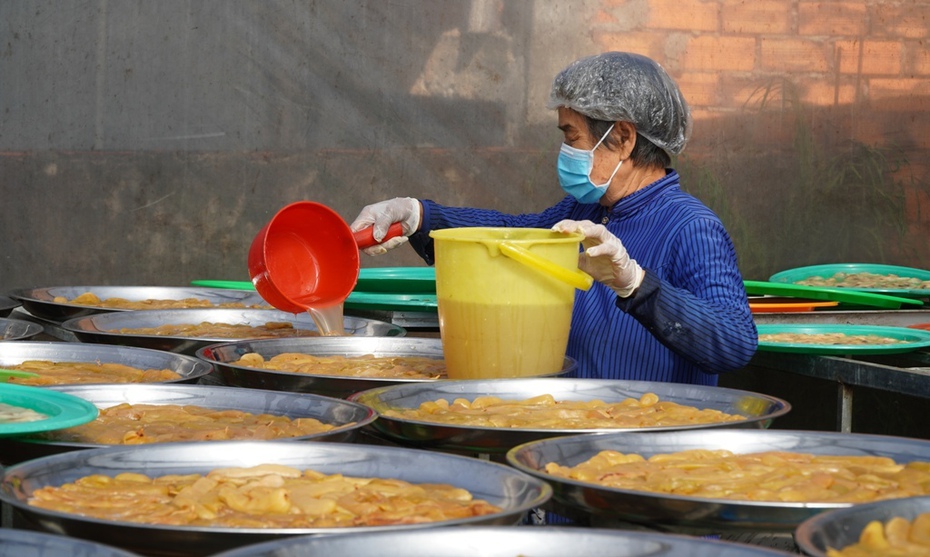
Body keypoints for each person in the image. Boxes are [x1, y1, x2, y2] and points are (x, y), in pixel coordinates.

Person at [350, 51, 757, 386]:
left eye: (571, 136)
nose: (565, 150)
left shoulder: (690, 227)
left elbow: (736, 341)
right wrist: (421, 216)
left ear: (624, 137)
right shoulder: (583, 212)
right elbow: (511, 241)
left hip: (649, 445)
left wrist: (634, 283)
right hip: (571, 429)